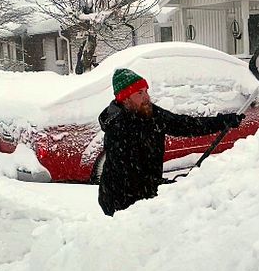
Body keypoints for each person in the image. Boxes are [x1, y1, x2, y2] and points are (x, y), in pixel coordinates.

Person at [97, 68, 244, 216]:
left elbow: (184, 124)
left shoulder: (149, 113)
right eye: (139, 93)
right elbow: (127, 173)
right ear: (125, 99)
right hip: (119, 201)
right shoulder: (118, 127)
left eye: (146, 91)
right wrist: (161, 185)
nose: (146, 97)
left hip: (144, 195)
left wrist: (222, 121)